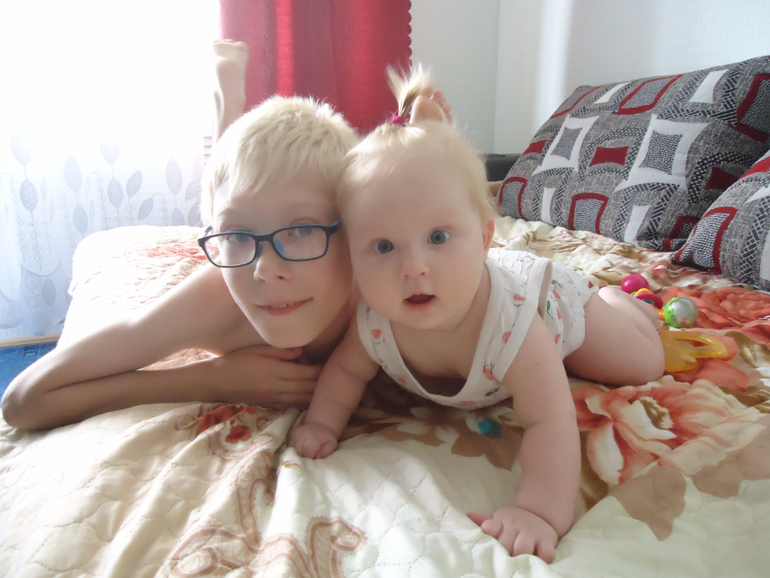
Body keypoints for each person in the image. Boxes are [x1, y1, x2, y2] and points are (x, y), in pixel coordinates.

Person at [289, 68, 666, 562]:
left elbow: (549, 418)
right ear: (352, 261)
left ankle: (618, 301)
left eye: (438, 237)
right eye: (383, 246)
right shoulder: (374, 320)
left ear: (486, 239)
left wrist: (539, 511)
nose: (413, 268)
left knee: (641, 364)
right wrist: (322, 424)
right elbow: (345, 372)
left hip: (555, 306)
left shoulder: (514, 324)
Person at [1, 48, 452, 431]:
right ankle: (227, 108)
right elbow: (23, 400)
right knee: (232, 186)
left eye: (301, 230)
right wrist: (209, 379)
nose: (264, 269)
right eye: (236, 235)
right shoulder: (217, 301)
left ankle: (229, 106)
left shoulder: (386, 289)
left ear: (355, 236)